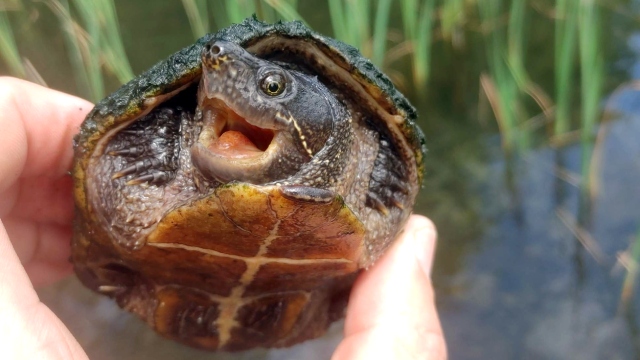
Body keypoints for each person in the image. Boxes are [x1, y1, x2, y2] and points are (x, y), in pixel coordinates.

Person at [0, 77, 447, 359]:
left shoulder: (368, 153)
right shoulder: (181, 129)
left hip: (297, 300)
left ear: (329, 127)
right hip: (152, 277)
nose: (219, 73)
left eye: (271, 87)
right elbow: (109, 149)